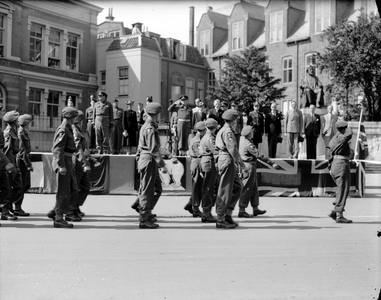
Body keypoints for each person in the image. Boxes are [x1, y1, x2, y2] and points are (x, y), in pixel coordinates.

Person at [136, 102, 167, 229]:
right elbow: (153, 148)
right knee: (147, 190)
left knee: (153, 189)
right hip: (149, 159)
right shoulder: (149, 128)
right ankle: (144, 218)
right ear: (154, 115)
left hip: (148, 160)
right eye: (158, 115)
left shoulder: (149, 126)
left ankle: (146, 212)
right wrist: (162, 164)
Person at [215, 109, 247, 229]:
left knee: (237, 187)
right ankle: (220, 218)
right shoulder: (227, 131)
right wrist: (242, 165)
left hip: (226, 159)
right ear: (233, 120)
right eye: (236, 120)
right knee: (225, 189)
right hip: (227, 159)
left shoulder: (222, 130)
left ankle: (227, 213)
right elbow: (232, 149)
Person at [238, 126, 278, 218]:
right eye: (252, 132)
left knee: (254, 188)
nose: (253, 133)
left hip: (248, 165)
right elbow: (259, 154)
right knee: (247, 188)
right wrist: (271, 163)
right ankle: (242, 210)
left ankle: (255, 208)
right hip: (249, 167)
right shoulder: (248, 144)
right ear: (248, 134)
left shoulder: (242, 140)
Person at [50, 107, 79, 228]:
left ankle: (60, 213)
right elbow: (57, 149)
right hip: (63, 161)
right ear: (70, 118)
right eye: (74, 117)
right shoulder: (63, 130)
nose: (75, 120)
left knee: (71, 189)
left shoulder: (68, 128)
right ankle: (58, 218)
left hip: (67, 160)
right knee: (63, 190)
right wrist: (61, 165)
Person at [66, 110, 92, 221]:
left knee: (85, 187)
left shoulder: (79, 130)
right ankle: (69, 210)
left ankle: (74, 207)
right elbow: (78, 149)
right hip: (77, 162)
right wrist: (84, 163)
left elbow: (84, 149)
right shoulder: (75, 131)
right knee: (74, 188)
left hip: (81, 162)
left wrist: (91, 159)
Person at [328, 120, 353, 223]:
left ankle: (336, 210)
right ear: (344, 129)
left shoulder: (334, 139)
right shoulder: (342, 137)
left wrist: (330, 167)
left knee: (341, 189)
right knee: (344, 189)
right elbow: (349, 134)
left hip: (335, 164)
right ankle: (339, 214)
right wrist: (349, 127)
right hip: (341, 164)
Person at [1, 110, 23, 221]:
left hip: (12, 162)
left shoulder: (14, 132)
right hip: (8, 163)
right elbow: (6, 151)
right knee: (7, 188)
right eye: (17, 119)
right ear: (14, 121)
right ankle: (5, 210)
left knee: (16, 187)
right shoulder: (8, 133)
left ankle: (7, 209)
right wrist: (8, 166)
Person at [199, 118, 219, 223]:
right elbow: (215, 151)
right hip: (209, 163)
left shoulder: (205, 137)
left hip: (205, 162)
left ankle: (207, 211)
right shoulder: (210, 138)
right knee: (208, 188)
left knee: (209, 188)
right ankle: (206, 213)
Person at [13, 114, 34, 216]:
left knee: (26, 184)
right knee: (21, 185)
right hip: (21, 161)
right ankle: (17, 207)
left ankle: (15, 205)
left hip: (24, 160)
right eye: (29, 123)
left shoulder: (24, 132)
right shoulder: (20, 133)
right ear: (25, 123)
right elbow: (22, 151)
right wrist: (29, 164)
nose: (30, 125)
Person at [188, 121, 206, 218]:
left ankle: (193, 205)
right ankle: (195, 208)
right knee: (197, 187)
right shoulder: (197, 140)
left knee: (198, 186)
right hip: (197, 162)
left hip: (196, 162)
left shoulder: (193, 138)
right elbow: (198, 153)